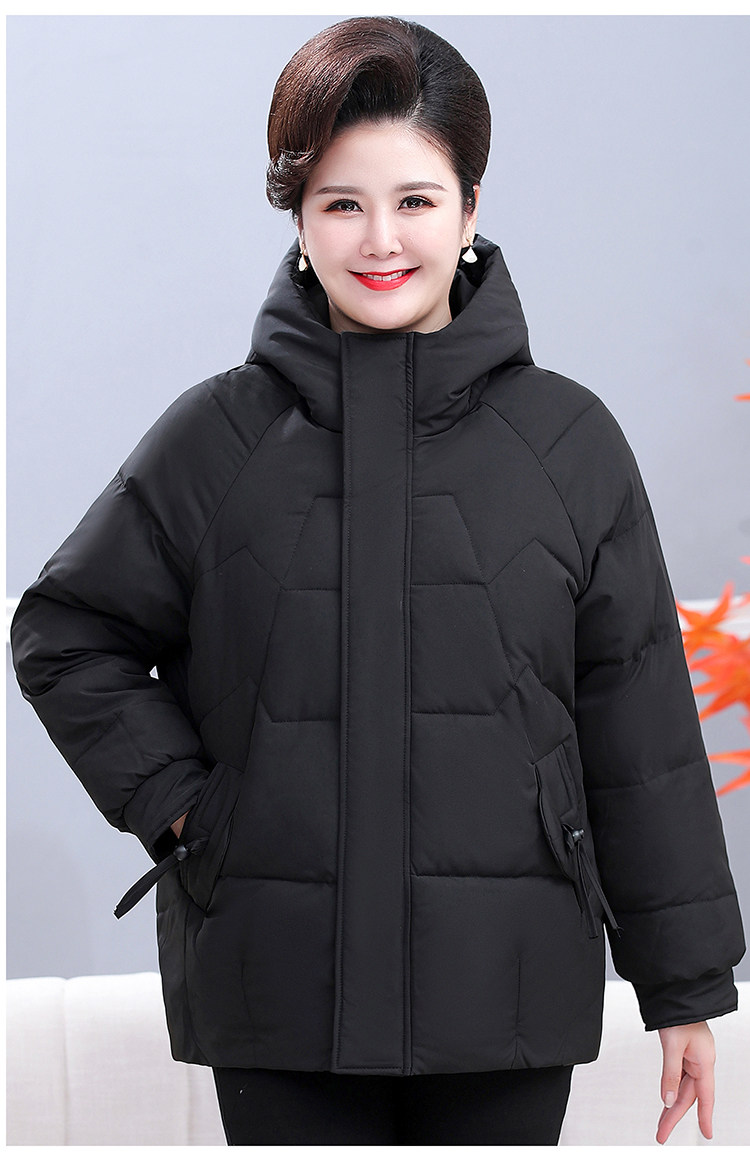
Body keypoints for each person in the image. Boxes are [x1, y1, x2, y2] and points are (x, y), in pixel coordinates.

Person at [10, 16, 745, 1147]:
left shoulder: (569, 444)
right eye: (342, 203)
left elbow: (636, 721)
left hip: (506, 986)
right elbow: (68, 633)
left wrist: (684, 985)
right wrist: (192, 812)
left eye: (416, 199)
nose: (382, 239)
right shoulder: (218, 437)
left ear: (471, 207)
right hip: (277, 986)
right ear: (300, 219)